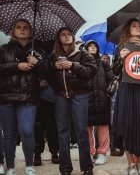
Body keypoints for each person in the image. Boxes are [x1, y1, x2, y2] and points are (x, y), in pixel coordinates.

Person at [47, 27, 97, 175]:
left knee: (81, 130)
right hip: (60, 96)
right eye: (63, 34)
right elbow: (46, 75)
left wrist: (73, 65)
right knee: (62, 132)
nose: (67, 36)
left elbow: (91, 71)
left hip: (79, 95)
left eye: (69, 34)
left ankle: (87, 167)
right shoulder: (53, 55)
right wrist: (53, 67)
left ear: (73, 37)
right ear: (59, 38)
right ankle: (65, 168)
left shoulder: (82, 53)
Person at [112, 18, 140, 175]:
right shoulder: (121, 47)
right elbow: (115, 71)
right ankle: (131, 164)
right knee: (128, 125)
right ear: (128, 29)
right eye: (134, 25)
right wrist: (121, 58)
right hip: (127, 90)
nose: (138, 28)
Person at [0, 19, 45, 175]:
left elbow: (47, 73)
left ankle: (29, 165)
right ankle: (11, 167)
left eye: (25, 27)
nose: (22, 30)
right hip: (6, 96)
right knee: (9, 133)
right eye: (18, 27)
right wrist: (16, 66)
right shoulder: (4, 49)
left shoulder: (37, 50)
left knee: (27, 131)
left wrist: (37, 63)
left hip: (28, 96)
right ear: (13, 31)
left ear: (30, 31)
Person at [84, 40, 114, 165]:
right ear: (86, 49)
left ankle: (102, 153)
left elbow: (112, 79)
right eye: (90, 46)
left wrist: (108, 92)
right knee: (87, 128)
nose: (93, 48)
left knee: (103, 127)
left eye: (95, 46)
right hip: (87, 99)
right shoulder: (82, 63)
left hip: (102, 99)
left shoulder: (103, 64)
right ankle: (90, 153)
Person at [33, 79, 60, 166]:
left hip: (50, 96)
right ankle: (37, 154)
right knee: (37, 127)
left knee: (52, 126)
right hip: (35, 96)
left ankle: (54, 153)